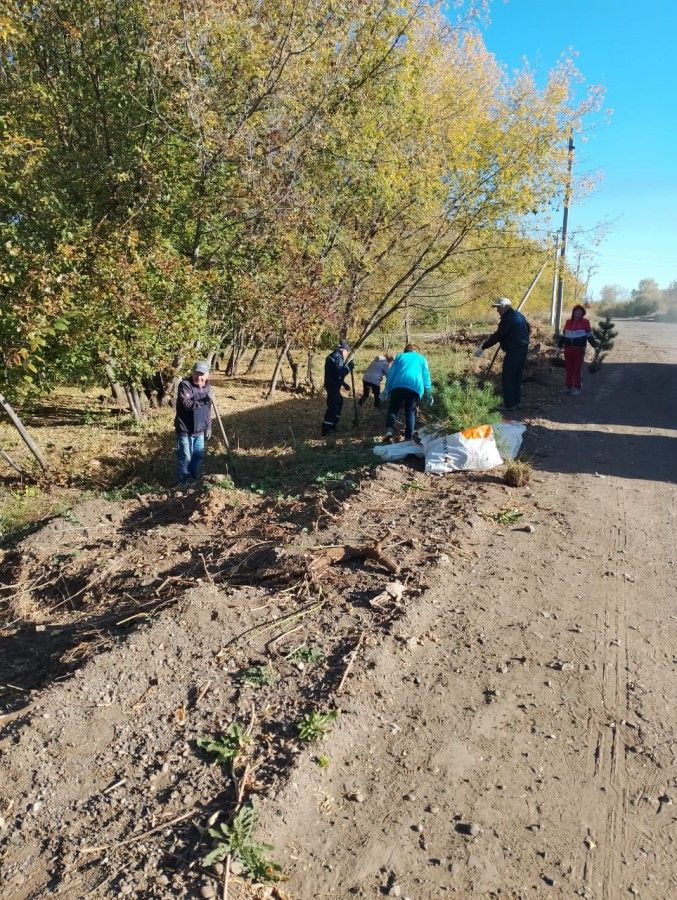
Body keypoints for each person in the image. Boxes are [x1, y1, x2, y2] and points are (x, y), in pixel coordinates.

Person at [474, 297, 530, 411]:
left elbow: (497, 335)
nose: (497, 310)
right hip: (523, 348)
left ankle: (510, 405)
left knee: (508, 377)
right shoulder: (519, 315)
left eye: (498, 307)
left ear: (505, 307)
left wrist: (483, 347)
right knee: (516, 377)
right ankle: (516, 402)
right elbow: (528, 329)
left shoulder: (508, 319)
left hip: (514, 350)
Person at [383, 344, 433, 442]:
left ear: (406, 350)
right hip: (414, 387)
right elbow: (426, 377)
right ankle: (408, 437)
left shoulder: (400, 356)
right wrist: (428, 392)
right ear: (416, 350)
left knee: (393, 409)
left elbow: (391, 374)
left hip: (397, 386)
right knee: (410, 413)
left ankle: (389, 431)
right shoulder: (422, 359)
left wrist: (387, 390)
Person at [174, 360, 213, 484]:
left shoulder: (208, 388)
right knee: (186, 457)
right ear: (192, 373)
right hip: (185, 429)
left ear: (207, 375)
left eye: (202, 374)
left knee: (198, 456)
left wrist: (208, 427)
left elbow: (208, 410)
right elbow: (187, 404)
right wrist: (203, 401)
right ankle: (183, 482)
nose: (199, 377)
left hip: (199, 430)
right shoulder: (185, 385)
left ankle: (193, 479)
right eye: (196, 373)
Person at [557, 304, 598, 395]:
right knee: (568, 369)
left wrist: (595, 346)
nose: (578, 313)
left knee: (577, 369)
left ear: (583, 313)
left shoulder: (585, 322)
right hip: (568, 349)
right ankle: (568, 386)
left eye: (580, 312)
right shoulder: (568, 322)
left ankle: (576, 387)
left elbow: (589, 336)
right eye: (576, 311)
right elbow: (563, 335)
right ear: (573, 312)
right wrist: (559, 346)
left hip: (579, 349)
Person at [322, 340, 354, 436]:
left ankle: (333, 425)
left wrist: (344, 384)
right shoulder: (338, 358)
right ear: (342, 350)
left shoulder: (332, 356)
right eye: (346, 351)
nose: (346, 353)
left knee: (339, 402)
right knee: (333, 407)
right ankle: (327, 429)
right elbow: (338, 373)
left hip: (331, 385)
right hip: (333, 387)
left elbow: (333, 374)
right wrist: (348, 368)